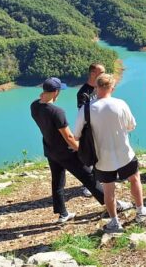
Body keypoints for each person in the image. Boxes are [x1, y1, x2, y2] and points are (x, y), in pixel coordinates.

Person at [74, 74, 146, 232]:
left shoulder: (86, 109)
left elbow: (76, 135)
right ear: (112, 88)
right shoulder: (120, 104)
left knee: (108, 189)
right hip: (124, 153)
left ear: (96, 88)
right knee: (134, 179)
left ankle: (115, 222)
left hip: (101, 158)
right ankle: (140, 211)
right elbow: (131, 125)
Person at [30, 77, 106, 223]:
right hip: (66, 153)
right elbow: (69, 137)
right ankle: (111, 205)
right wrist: (81, 151)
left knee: (57, 182)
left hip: (51, 151)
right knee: (89, 178)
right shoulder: (57, 112)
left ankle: (62, 213)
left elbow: (41, 103)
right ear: (56, 92)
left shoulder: (34, 106)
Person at [76, 63, 105, 198]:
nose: (104, 75)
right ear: (93, 73)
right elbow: (83, 113)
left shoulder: (101, 88)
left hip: (103, 127)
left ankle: (101, 179)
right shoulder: (83, 93)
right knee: (91, 158)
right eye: (101, 72)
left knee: (102, 155)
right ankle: (90, 186)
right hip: (90, 130)